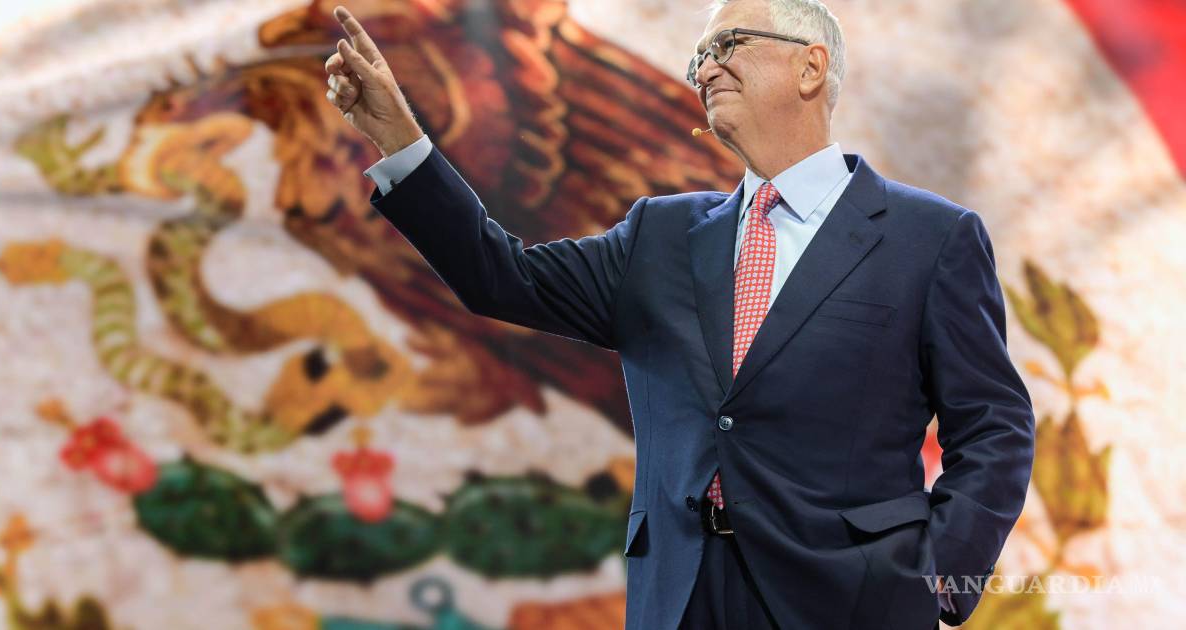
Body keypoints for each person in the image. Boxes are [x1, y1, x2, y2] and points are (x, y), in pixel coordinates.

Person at [324, 0, 1035, 627]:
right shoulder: (659, 236)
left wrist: (939, 574)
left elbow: (994, 425)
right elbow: (499, 277)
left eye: (728, 45)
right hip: (679, 594)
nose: (705, 70)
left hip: (851, 601)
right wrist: (401, 143)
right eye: (699, 58)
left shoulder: (928, 238)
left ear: (810, 67)